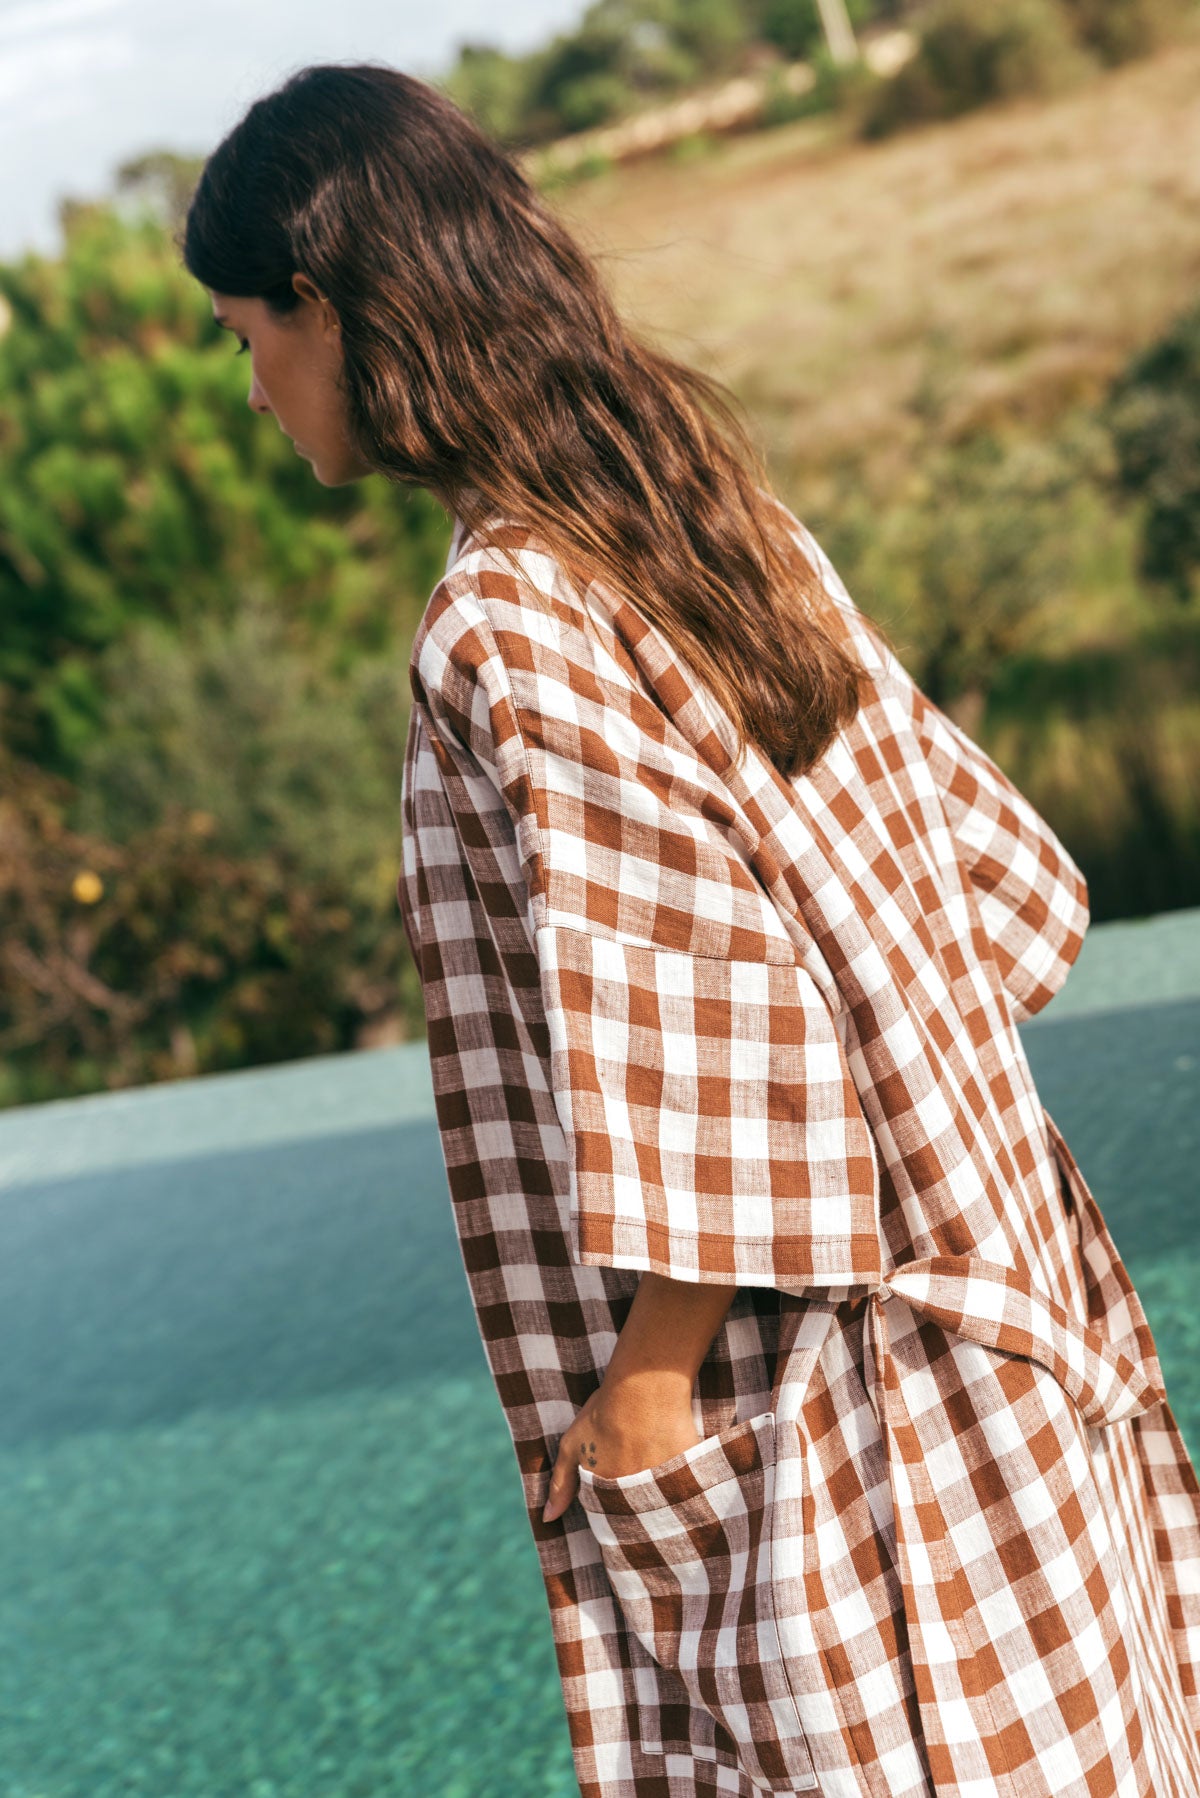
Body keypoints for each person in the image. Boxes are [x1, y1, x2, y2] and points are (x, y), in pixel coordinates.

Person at [183, 61, 1200, 1798]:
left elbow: (734, 1028)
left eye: (246, 332)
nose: (251, 386)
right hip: (1005, 1314)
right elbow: (998, 886)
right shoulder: (702, 511)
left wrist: (650, 1379)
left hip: (837, 1415)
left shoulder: (503, 619)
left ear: (331, 303)